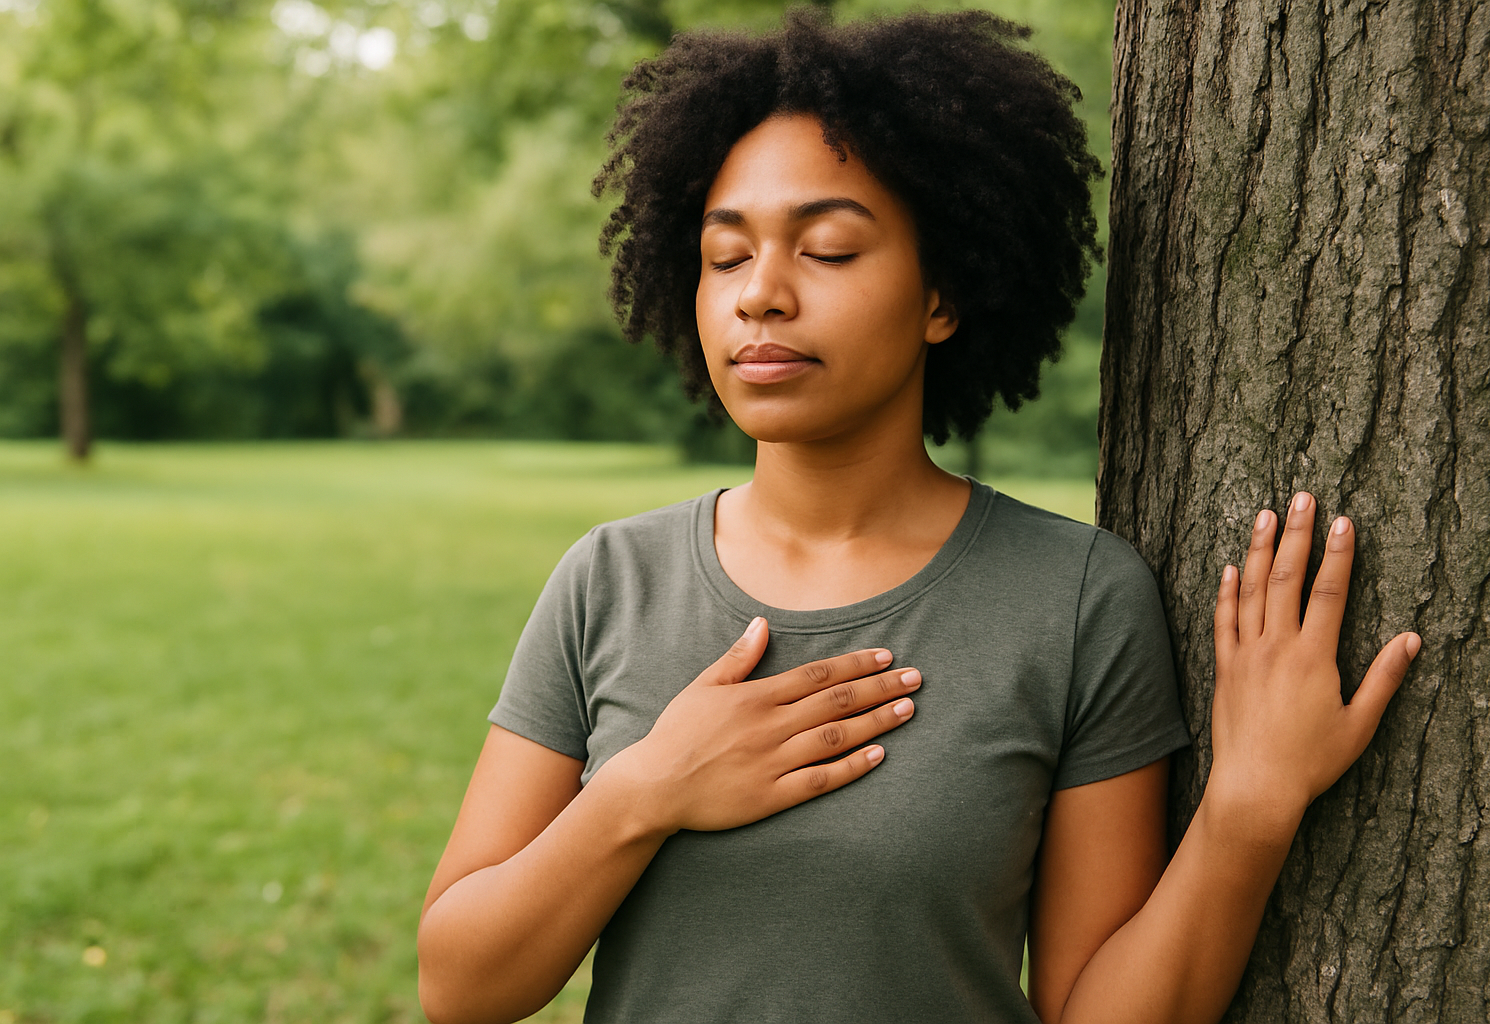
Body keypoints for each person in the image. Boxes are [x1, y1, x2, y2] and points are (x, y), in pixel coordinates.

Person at [416, 11, 1422, 1024]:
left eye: (830, 249)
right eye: (726, 257)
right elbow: (459, 987)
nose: (760, 295)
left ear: (942, 293)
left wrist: (1249, 806)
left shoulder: (1073, 598)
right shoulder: (608, 582)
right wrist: (645, 793)